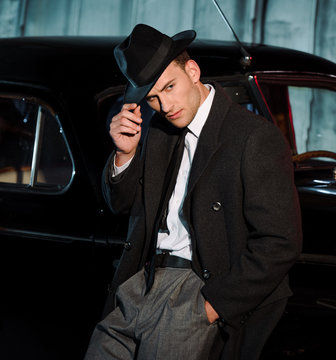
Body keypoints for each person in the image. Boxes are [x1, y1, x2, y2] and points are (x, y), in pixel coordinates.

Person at [84, 24, 302, 360]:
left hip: (196, 287)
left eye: (170, 87)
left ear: (193, 70)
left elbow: (280, 240)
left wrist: (212, 305)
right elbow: (121, 204)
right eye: (153, 97)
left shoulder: (253, 137)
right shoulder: (158, 132)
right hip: (141, 282)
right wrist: (124, 154)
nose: (165, 104)